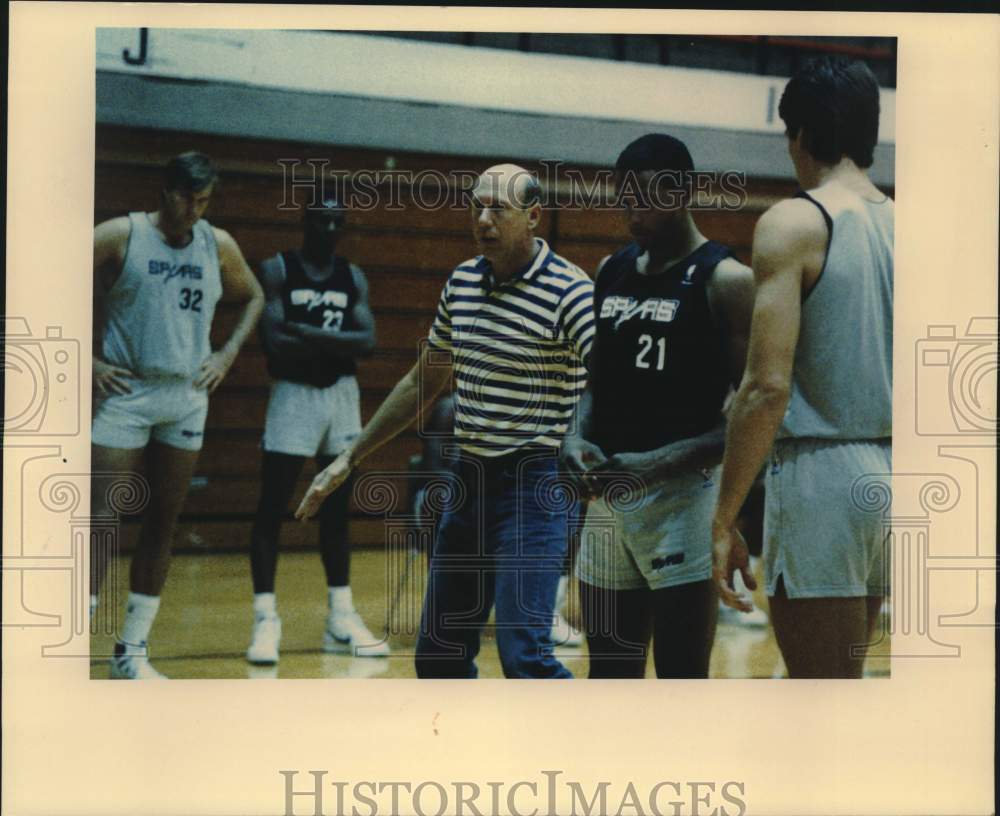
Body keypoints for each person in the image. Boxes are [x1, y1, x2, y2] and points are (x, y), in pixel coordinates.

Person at [296, 164, 595, 679]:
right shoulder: (461, 283)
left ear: (534, 217)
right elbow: (421, 381)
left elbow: (605, 381)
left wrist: (584, 443)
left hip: (535, 487)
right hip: (469, 484)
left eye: (498, 208)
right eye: (477, 205)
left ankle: (570, 758)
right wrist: (348, 459)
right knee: (438, 655)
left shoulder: (570, 291)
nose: (483, 219)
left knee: (525, 656)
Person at [710, 57, 893, 679]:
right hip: (902, 474)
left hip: (824, 477)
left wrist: (723, 514)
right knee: (844, 684)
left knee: (818, 698)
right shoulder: (908, 225)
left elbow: (765, 387)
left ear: (801, 135)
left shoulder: (793, 222)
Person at [560, 133, 755, 678]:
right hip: (608, 499)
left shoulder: (727, 280)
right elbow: (595, 386)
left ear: (682, 191)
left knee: (680, 680)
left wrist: (658, 462)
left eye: (643, 199)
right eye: (624, 199)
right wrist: (573, 436)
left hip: (683, 503)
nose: (632, 214)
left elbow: (751, 418)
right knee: (609, 678)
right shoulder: (611, 270)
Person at [91, 151, 265, 679]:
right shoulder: (122, 234)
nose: (197, 209)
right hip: (127, 391)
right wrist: (86, 358)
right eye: (189, 198)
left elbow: (255, 295)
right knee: (100, 521)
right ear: (165, 192)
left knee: (163, 523)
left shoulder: (218, 243)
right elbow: (37, 281)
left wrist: (227, 354)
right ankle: (71, 639)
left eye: (205, 200)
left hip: (186, 395)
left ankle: (132, 651)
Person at [245, 198, 386, 665]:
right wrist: (332, 342)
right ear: (305, 222)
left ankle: (341, 615)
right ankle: (266, 619)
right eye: (320, 220)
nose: (328, 228)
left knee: (337, 508)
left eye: (336, 222)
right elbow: (272, 341)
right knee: (273, 507)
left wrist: (306, 333)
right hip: (293, 396)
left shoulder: (353, 275)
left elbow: (367, 342)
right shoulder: (279, 269)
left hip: (341, 397)